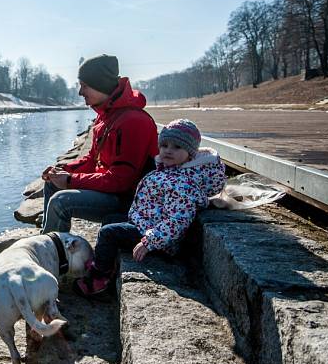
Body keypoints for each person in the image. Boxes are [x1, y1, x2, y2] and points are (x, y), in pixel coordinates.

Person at [74, 119, 227, 296]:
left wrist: (149, 242)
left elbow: (177, 221)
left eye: (177, 147)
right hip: (147, 223)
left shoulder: (183, 184)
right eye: (164, 145)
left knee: (108, 232)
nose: (168, 150)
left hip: (159, 239)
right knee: (111, 219)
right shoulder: (171, 171)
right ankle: (106, 262)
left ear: (190, 154)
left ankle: (99, 278)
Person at [40, 54, 159, 234]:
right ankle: (51, 243)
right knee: (52, 183)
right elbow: (92, 160)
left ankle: (54, 255)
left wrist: (70, 180)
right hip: (111, 191)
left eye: (84, 86)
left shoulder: (133, 121)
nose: (80, 92)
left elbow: (121, 181)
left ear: (100, 84)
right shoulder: (106, 116)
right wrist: (63, 171)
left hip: (128, 199)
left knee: (60, 201)